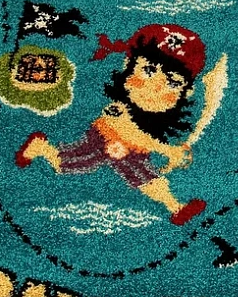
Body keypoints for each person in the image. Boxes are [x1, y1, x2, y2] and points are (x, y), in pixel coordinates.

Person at [16, 24, 208, 226]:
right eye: (148, 70)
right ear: (128, 66)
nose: (155, 87)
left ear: (187, 92)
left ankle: (175, 207)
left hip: (131, 150)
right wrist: (166, 150)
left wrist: (170, 150)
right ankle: (41, 147)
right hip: (105, 139)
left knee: (145, 176)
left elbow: (145, 136)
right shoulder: (118, 109)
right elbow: (133, 134)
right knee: (70, 163)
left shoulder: (155, 116)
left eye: (173, 82)